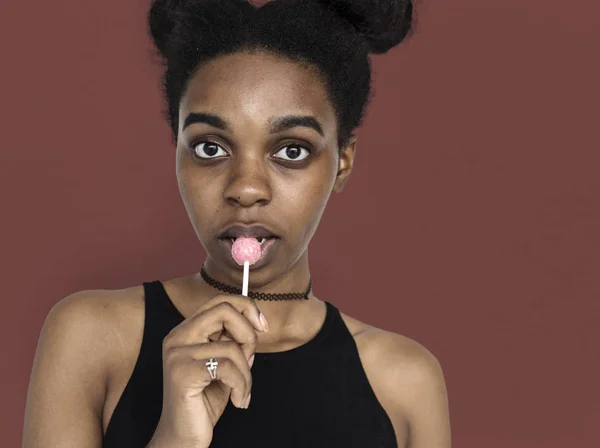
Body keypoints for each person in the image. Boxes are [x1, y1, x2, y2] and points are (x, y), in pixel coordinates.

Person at [23, 0, 451, 447]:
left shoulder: (403, 382)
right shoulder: (90, 335)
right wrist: (175, 438)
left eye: (291, 150)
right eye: (210, 148)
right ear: (177, 153)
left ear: (342, 163)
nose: (246, 189)